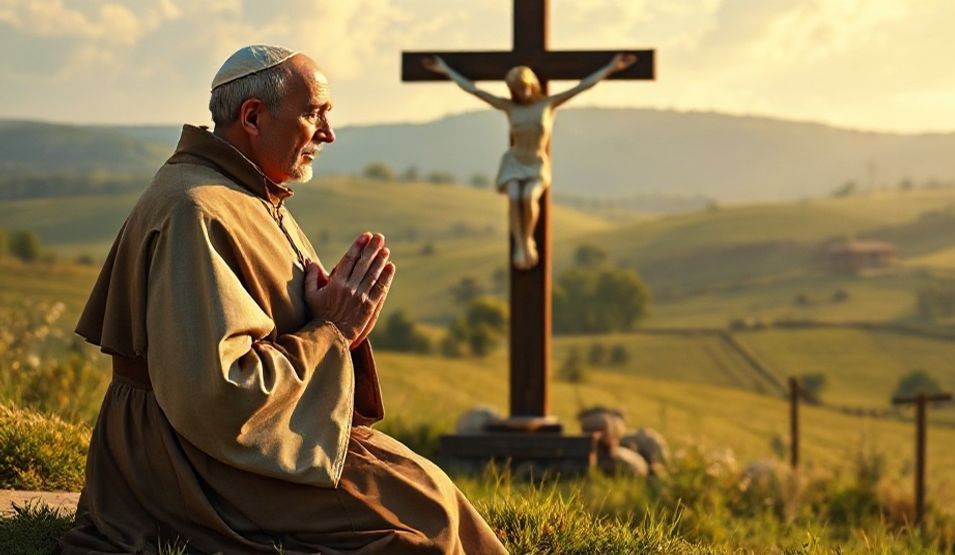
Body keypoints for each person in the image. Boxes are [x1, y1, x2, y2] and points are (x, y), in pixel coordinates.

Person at [59, 44, 507, 554]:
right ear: (253, 116)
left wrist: (328, 318)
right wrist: (331, 331)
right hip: (187, 461)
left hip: (242, 440)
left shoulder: (244, 191)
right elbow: (219, 394)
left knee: (434, 496)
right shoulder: (196, 210)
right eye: (314, 114)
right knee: (422, 536)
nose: (328, 134)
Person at [422, 53, 636, 270]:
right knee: (514, 194)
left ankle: (528, 240)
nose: (521, 92)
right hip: (514, 161)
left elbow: (582, 86)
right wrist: (445, 70)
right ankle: (521, 245)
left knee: (528, 195)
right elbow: (474, 90)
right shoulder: (509, 107)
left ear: (531, 84)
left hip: (535, 163)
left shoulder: (548, 104)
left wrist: (611, 67)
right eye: (516, 88)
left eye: (523, 87)